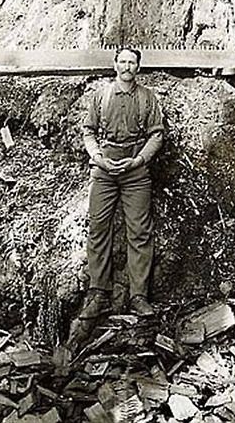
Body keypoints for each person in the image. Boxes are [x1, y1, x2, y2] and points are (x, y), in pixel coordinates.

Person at [79, 47, 165, 319]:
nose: (127, 67)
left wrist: (138, 160)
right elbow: (88, 132)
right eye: (123, 62)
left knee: (139, 232)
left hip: (135, 171)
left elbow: (157, 135)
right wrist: (98, 158)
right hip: (104, 170)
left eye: (132, 63)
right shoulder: (101, 96)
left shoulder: (147, 98)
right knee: (98, 227)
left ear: (138, 67)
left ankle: (138, 295)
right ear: (115, 64)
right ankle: (98, 292)